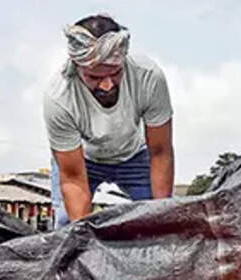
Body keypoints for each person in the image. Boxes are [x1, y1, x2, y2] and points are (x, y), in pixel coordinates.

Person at [43, 14, 174, 226]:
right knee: (67, 224)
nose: (107, 85)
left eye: (115, 73)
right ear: (77, 67)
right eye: (95, 77)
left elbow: (160, 152)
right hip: (83, 160)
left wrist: (161, 221)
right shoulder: (59, 97)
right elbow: (73, 178)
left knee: (157, 222)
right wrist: (80, 238)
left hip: (135, 156)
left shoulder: (148, 77)